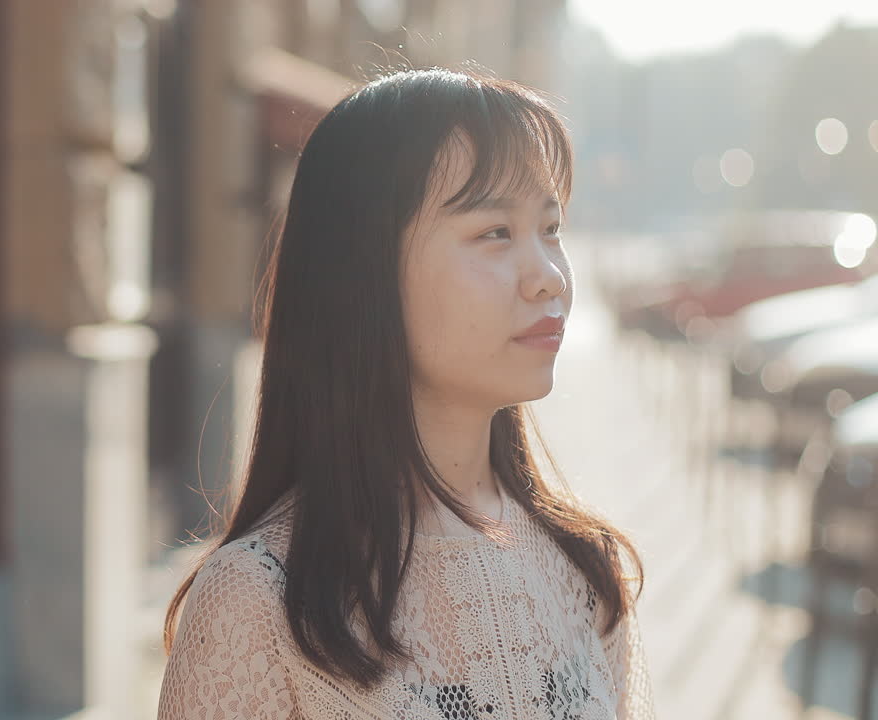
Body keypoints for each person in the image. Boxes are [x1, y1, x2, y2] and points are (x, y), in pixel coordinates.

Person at [156, 67, 656, 720]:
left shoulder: (586, 568)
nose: (548, 278)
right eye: (494, 232)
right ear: (363, 274)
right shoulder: (258, 605)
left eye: (551, 228)